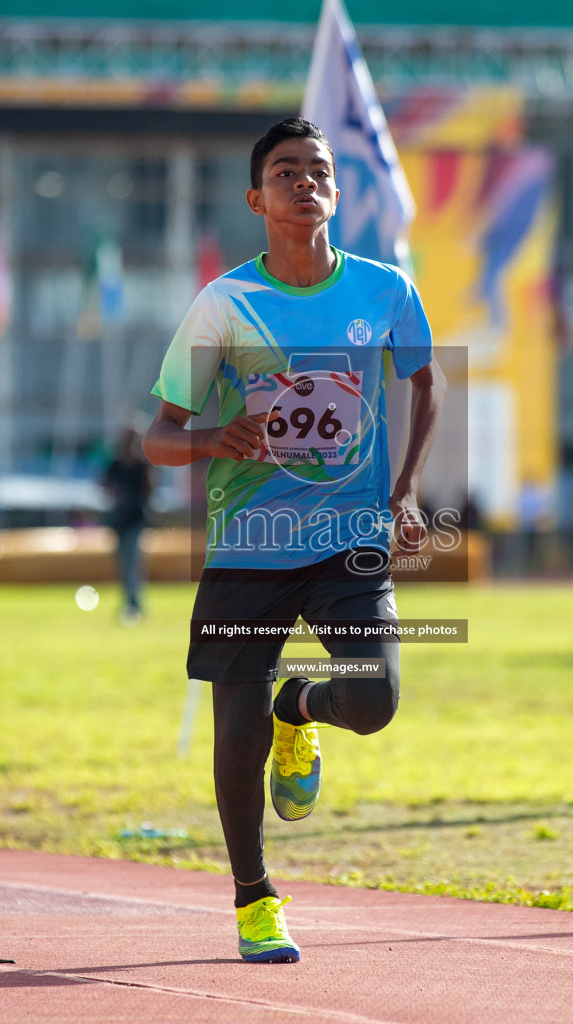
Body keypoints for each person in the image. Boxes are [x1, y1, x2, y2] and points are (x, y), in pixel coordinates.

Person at [143, 117, 445, 964]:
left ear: (336, 193)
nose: (304, 181)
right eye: (285, 171)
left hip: (350, 539)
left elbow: (427, 379)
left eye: (318, 170)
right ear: (257, 197)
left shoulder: (385, 290)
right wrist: (215, 439)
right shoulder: (225, 305)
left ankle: (300, 702)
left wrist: (408, 486)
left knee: (375, 700)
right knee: (232, 730)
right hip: (249, 544)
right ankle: (254, 897)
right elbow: (158, 434)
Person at [102, 427, 153, 622]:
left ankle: (134, 604)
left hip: (135, 520)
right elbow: (104, 486)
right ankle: (129, 602)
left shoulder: (142, 465)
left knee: (132, 562)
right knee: (123, 563)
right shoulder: (115, 464)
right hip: (118, 520)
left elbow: (149, 491)